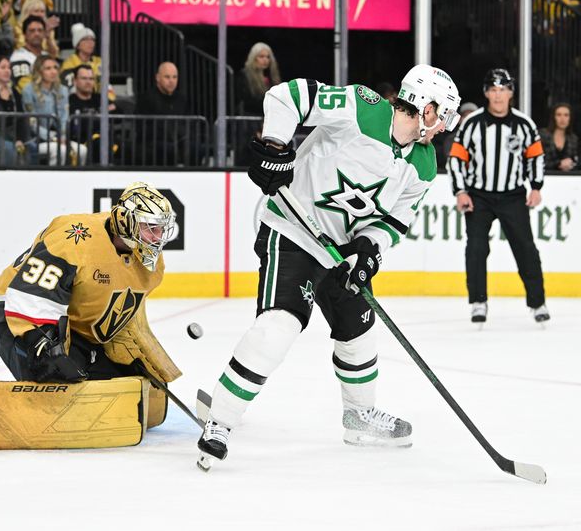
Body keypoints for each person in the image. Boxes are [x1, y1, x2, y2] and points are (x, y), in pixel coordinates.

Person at [196, 65, 462, 470]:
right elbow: (287, 96)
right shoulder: (362, 107)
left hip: (339, 254)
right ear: (426, 108)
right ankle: (220, 422)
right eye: (443, 114)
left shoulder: (423, 164)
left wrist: (367, 250)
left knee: (359, 329)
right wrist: (275, 146)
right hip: (293, 233)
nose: (445, 125)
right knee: (278, 328)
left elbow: (394, 222)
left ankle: (358, 417)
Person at [0, 183, 181, 451]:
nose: (157, 237)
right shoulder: (76, 238)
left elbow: (120, 313)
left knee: (119, 385)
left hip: (70, 329)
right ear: (127, 221)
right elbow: (30, 295)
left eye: (161, 228)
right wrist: (42, 348)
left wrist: (131, 354)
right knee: (61, 386)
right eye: (150, 228)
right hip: (19, 320)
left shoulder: (151, 266)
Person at [447, 68, 549, 325]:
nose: (498, 95)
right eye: (493, 90)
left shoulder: (524, 124)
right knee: (476, 248)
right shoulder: (472, 123)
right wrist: (460, 191)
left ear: (511, 92)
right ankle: (478, 302)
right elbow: (457, 159)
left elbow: (535, 157)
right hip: (478, 196)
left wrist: (536, 186)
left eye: (503, 89)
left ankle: (538, 303)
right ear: (486, 93)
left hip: (513, 196)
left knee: (526, 249)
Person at [21, 55, 85, 165]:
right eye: (48, 68)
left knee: (82, 150)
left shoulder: (63, 90)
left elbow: (64, 117)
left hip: (60, 137)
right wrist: (53, 138)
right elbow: (32, 122)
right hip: (36, 139)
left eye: (55, 68)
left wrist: (62, 136)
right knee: (61, 150)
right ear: (39, 71)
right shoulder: (28, 90)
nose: (53, 72)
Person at [135, 61, 196, 166]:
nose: (171, 81)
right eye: (167, 77)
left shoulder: (182, 99)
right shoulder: (147, 99)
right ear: (158, 78)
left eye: (174, 77)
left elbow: (189, 123)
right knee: (169, 149)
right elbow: (144, 128)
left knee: (196, 147)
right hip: (153, 142)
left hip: (179, 141)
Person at [234, 42, 281, 165]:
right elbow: (247, 99)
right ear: (253, 58)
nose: (265, 60)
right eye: (261, 56)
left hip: (269, 121)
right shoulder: (244, 76)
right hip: (250, 123)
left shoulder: (273, 77)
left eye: (268, 57)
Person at [68, 64, 117, 164]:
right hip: (82, 141)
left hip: (107, 139)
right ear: (75, 81)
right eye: (84, 78)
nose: (88, 82)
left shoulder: (100, 98)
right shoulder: (70, 101)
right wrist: (100, 113)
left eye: (91, 79)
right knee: (99, 143)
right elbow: (77, 126)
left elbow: (117, 111)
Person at [9, 15, 48, 93]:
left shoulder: (47, 55)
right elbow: (25, 88)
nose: (36, 34)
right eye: (32, 31)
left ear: (44, 34)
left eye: (40, 30)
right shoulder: (18, 57)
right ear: (25, 35)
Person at [60, 23, 103, 92]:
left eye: (92, 40)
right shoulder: (69, 64)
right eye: (86, 40)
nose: (90, 43)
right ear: (77, 45)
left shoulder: (99, 62)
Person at [435, 101, 479, 168]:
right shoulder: (450, 139)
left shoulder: (485, 138)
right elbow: (448, 162)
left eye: (472, 117)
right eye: (465, 116)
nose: (468, 120)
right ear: (459, 120)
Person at [540, 102, 578, 171]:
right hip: (546, 176)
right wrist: (558, 164)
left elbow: (576, 161)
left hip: (567, 178)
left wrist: (571, 164)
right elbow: (538, 161)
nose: (562, 119)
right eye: (559, 115)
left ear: (570, 118)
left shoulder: (573, 139)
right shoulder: (543, 135)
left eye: (566, 115)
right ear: (553, 117)